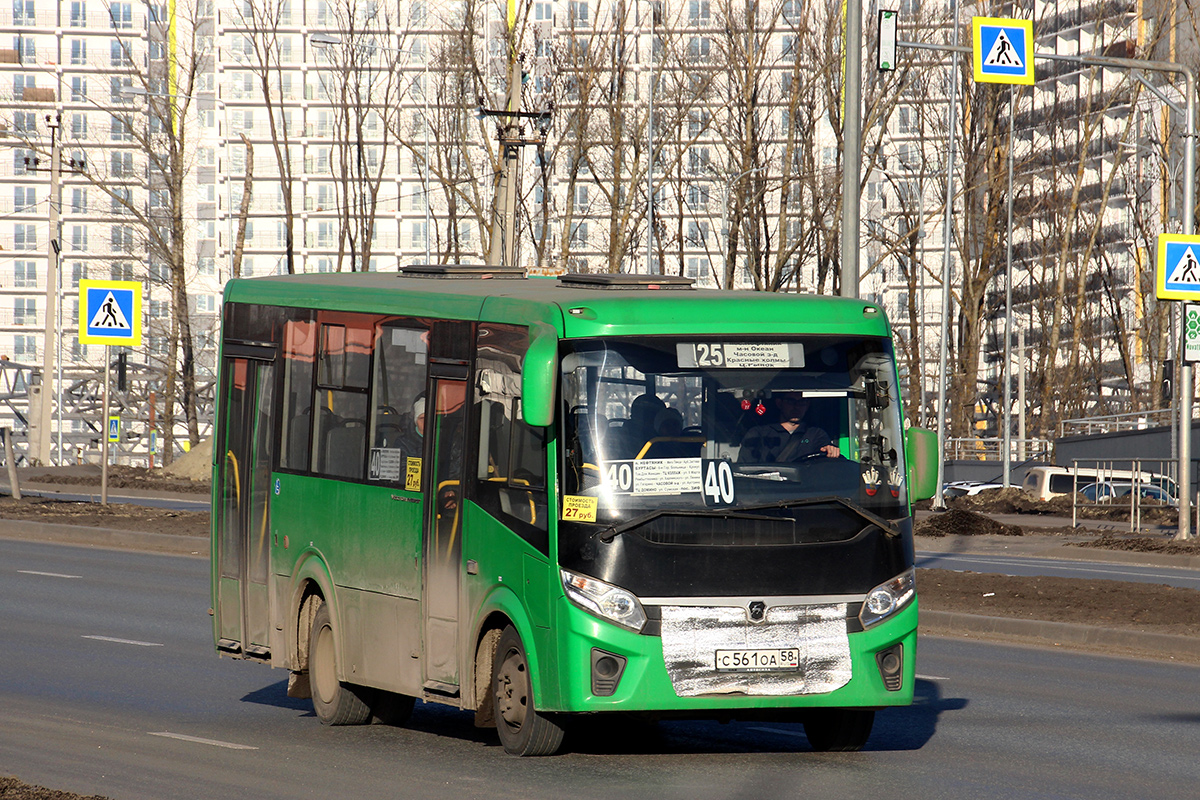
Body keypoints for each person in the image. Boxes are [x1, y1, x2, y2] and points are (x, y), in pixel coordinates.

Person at [738, 391, 839, 462]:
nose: (797, 406)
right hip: (768, 490)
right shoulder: (758, 433)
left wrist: (831, 450)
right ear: (779, 403)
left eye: (802, 402)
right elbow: (745, 469)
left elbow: (827, 456)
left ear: (807, 405)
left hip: (806, 489)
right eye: (791, 401)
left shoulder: (816, 434)